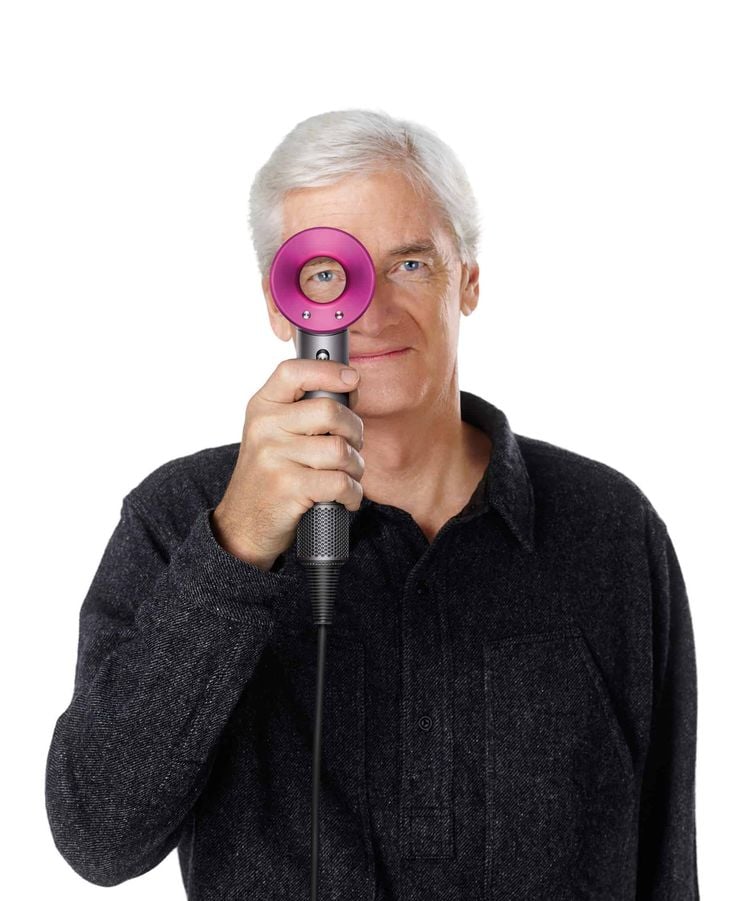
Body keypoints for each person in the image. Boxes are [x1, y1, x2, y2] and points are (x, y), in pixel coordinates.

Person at [45, 109, 699, 899]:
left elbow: (667, 861)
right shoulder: (178, 514)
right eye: (328, 273)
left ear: (470, 280)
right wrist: (238, 548)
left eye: (412, 264)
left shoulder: (609, 529)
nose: (373, 309)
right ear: (280, 304)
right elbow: (98, 834)